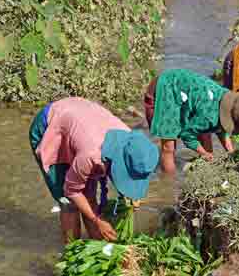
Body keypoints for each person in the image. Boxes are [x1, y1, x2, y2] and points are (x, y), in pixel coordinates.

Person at [29, 97, 159, 244]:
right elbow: (71, 191)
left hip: (80, 117)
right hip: (50, 123)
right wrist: (97, 220)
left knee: (89, 196)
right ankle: (72, 254)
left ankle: (97, 244)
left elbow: (130, 172)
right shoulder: (92, 154)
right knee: (68, 203)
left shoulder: (131, 142)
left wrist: (132, 197)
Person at [143, 68, 239, 174]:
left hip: (183, 87)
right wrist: (204, 154)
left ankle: (204, 167)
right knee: (168, 147)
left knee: (205, 135)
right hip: (165, 88)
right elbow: (187, 135)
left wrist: (231, 153)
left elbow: (222, 128)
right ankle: (168, 185)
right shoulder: (209, 116)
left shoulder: (226, 101)